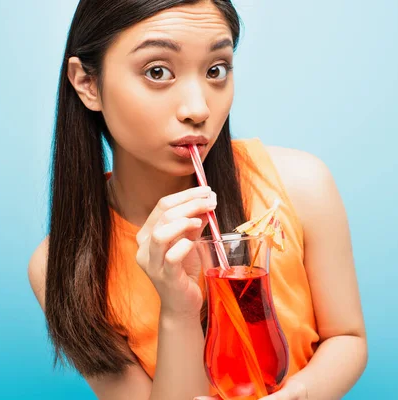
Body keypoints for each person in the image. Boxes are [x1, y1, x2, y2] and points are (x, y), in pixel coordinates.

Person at [28, 1, 367, 399]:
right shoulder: (63, 264)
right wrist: (178, 309)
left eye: (215, 70)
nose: (198, 109)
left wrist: (301, 393)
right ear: (87, 83)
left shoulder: (300, 185)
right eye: (158, 72)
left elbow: (347, 337)